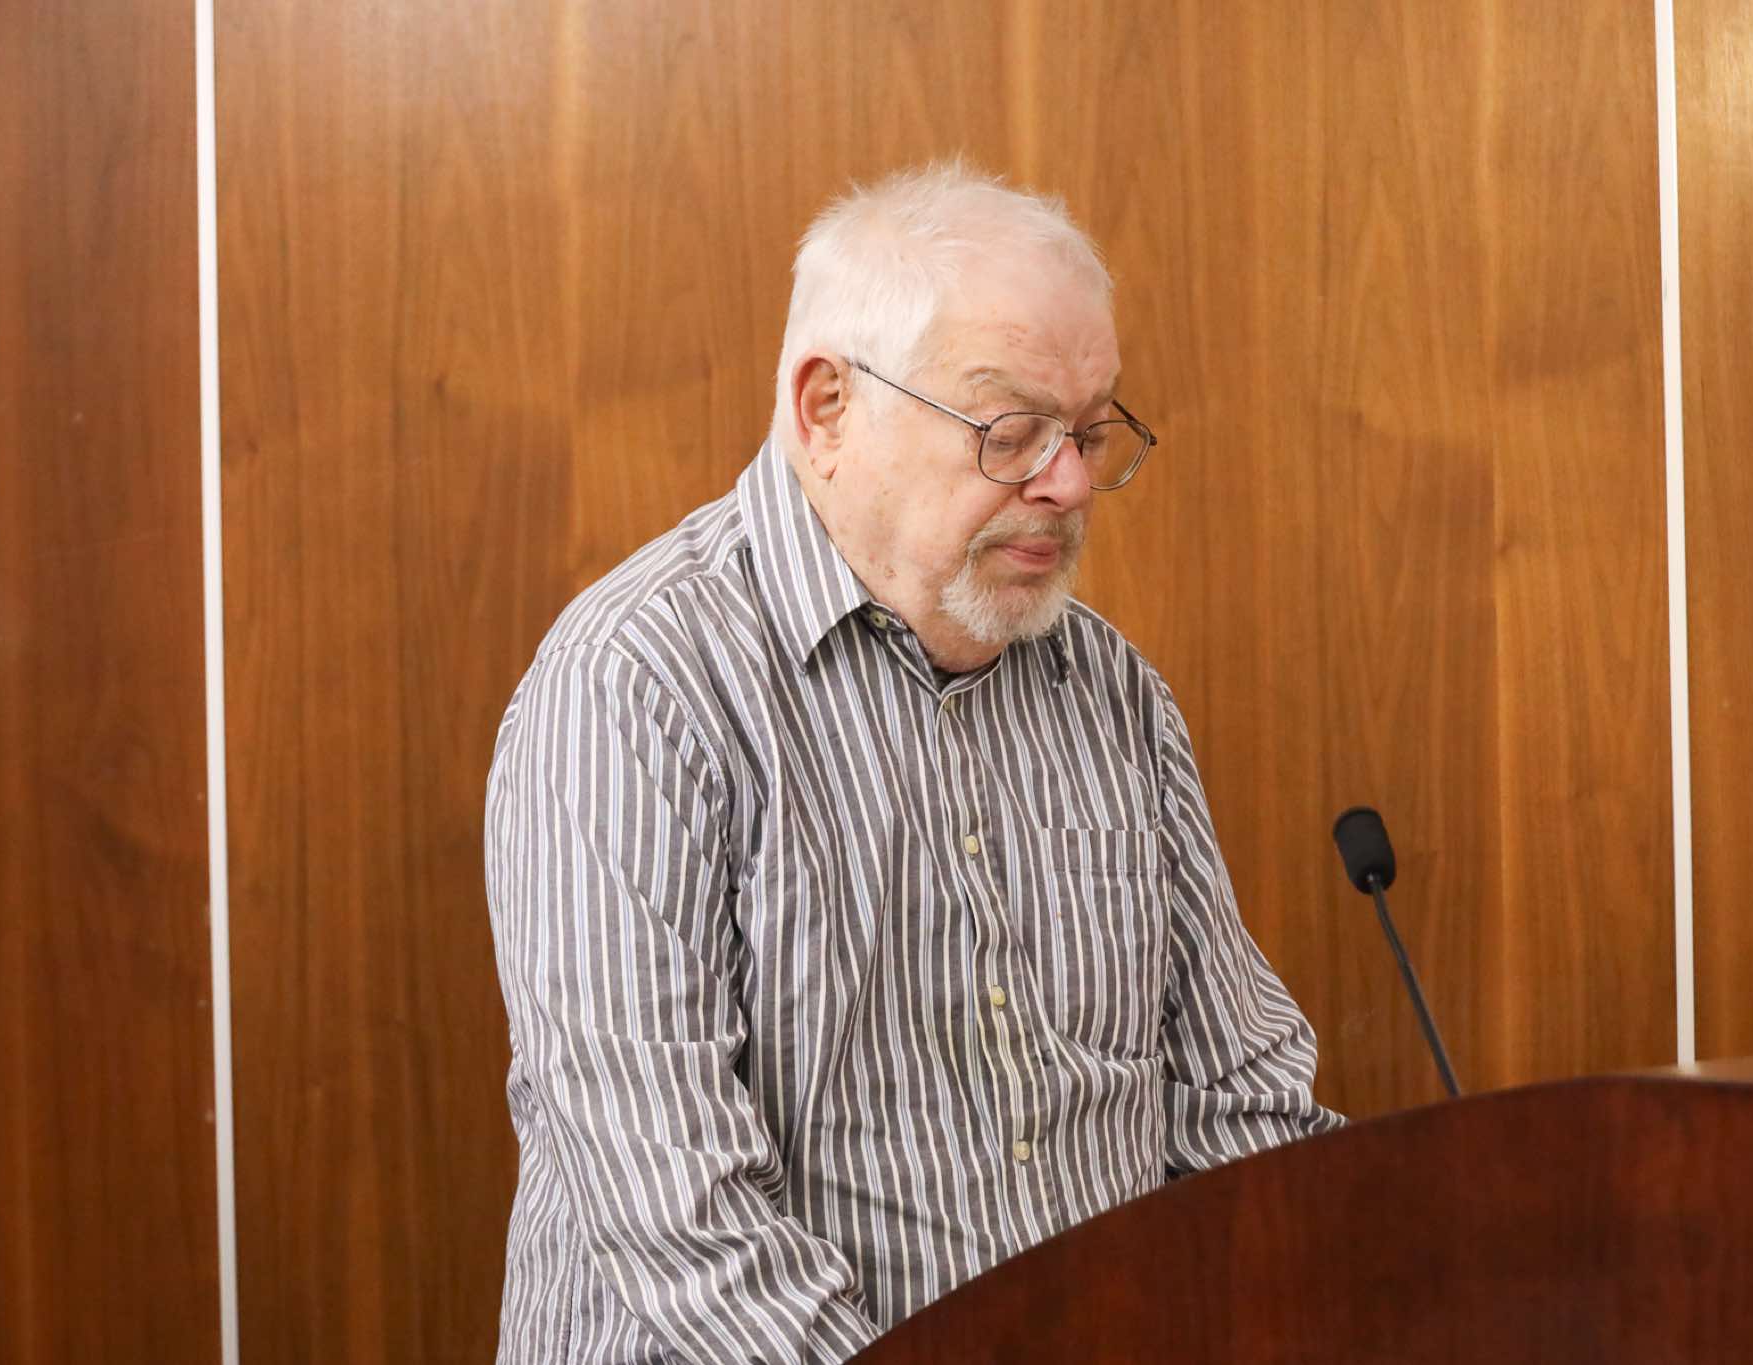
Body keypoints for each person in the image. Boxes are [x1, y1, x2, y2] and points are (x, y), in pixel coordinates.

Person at [484, 162, 1340, 1365]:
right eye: (1010, 432)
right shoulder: (635, 686)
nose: (1068, 482)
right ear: (827, 407)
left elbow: (1234, 1103)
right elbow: (681, 1220)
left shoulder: (1110, 691)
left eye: (1090, 432)